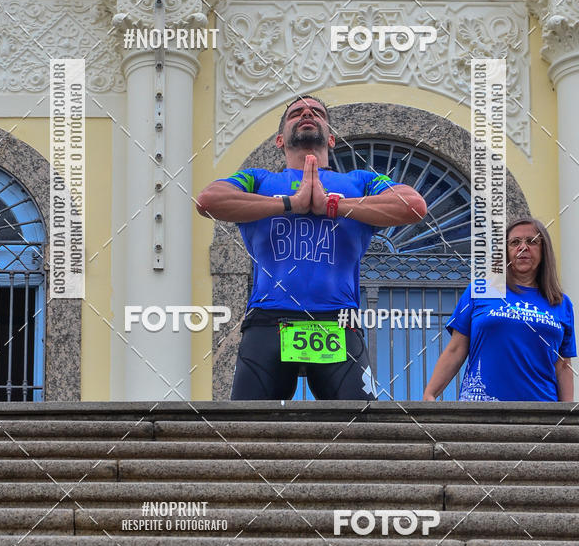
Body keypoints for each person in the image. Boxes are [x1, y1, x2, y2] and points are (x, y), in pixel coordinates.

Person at [196, 95, 427, 400]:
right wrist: (290, 203)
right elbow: (208, 200)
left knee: (361, 431)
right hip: (269, 319)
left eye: (317, 111)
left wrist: (333, 205)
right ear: (279, 140)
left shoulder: (359, 181)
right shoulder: (256, 179)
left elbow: (413, 205)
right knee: (248, 430)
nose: (307, 113)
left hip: (339, 320)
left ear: (331, 138)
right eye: (296, 113)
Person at [423, 217, 576, 402]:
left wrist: (566, 416)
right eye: (515, 242)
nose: (523, 247)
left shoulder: (560, 303)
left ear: (544, 250)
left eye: (532, 241)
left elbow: (563, 366)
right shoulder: (479, 291)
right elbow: (456, 349)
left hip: (541, 412)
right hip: (482, 410)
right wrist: (430, 394)